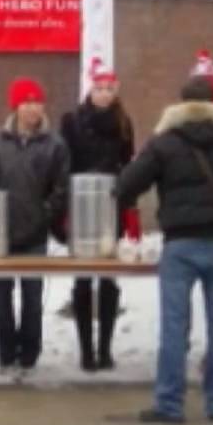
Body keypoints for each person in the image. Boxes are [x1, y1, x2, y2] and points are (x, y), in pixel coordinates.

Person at [117, 51, 213, 423]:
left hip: (179, 247)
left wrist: (128, 199)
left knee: (174, 327)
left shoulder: (165, 141)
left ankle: (169, 405)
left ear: (181, 105)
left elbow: (126, 184)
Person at [0, 77, 71, 377]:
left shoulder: (55, 144)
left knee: (32, 299)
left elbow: (61, 187)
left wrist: (45, 213)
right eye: (26, 102)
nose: (33, 108)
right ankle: (6, 356)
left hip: (35, 234)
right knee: (1, 298)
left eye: (37, 102)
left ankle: (29, 357)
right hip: (0, 235)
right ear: (15, 106)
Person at [58, 58, 139, 372]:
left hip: (110, 206)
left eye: (109, 88)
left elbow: (129, 166)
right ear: (89, 90)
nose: (104, 93)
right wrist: (65, 208)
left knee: (108, 278)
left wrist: (129, 209)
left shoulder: (123, 123)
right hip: (80, 206)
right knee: (82, 279)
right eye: (99, 88)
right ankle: (86, 351)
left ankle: (105, 348)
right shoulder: (71, 121)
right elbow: (64, 165)